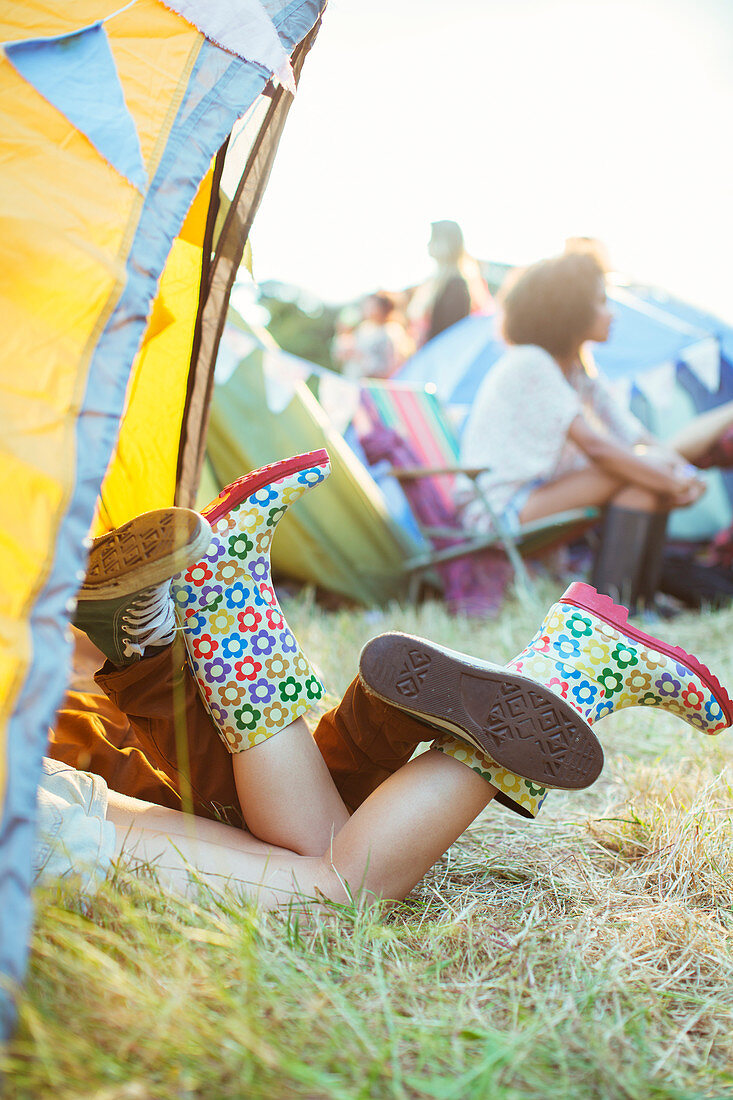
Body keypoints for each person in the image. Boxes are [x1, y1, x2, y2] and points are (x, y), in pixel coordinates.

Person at [42, 450, 732, 908]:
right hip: (38, 791)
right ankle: (225, 597)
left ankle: (572, 669)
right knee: (314, 846)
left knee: (338, 889)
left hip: (35, 821)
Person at [457, 247, 733, 609]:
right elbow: (598, 448)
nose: (612, 313)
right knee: (635, 471)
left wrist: (676, 472)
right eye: (602, 302)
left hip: (540, 500)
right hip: (498, 512)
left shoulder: (577, 370)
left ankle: (631, 604)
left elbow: (633, 434)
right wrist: (671, 477)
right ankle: (614, 608)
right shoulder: (531, 363)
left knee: (643, 482)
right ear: (569, 310)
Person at [407, 220, 493, 347]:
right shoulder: (440, 284)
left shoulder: (455, 286)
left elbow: (450, 335)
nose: (428, 244)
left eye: (433, 239)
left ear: (445, 243)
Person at [334, 292, 414, 381]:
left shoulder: (391, 331)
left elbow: (391, 367)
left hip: (373, 387)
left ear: (382, 308)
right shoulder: (364, 328)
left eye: (371, 305)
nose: (366, 309)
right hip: (354, 383)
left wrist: (360, 357)